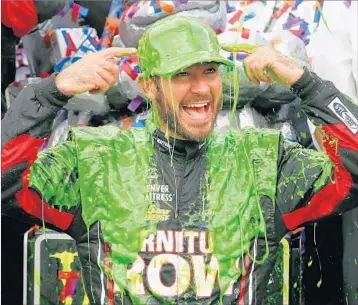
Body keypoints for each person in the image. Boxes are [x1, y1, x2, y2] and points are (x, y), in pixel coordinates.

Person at [2, 16, 358, 305]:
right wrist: (51, 92)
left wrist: (307, 84)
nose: (201, 88)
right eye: (181, 75)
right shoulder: (95, 160)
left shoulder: (263, 160)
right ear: (148, 87)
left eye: (209, 71)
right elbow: (5, 186)